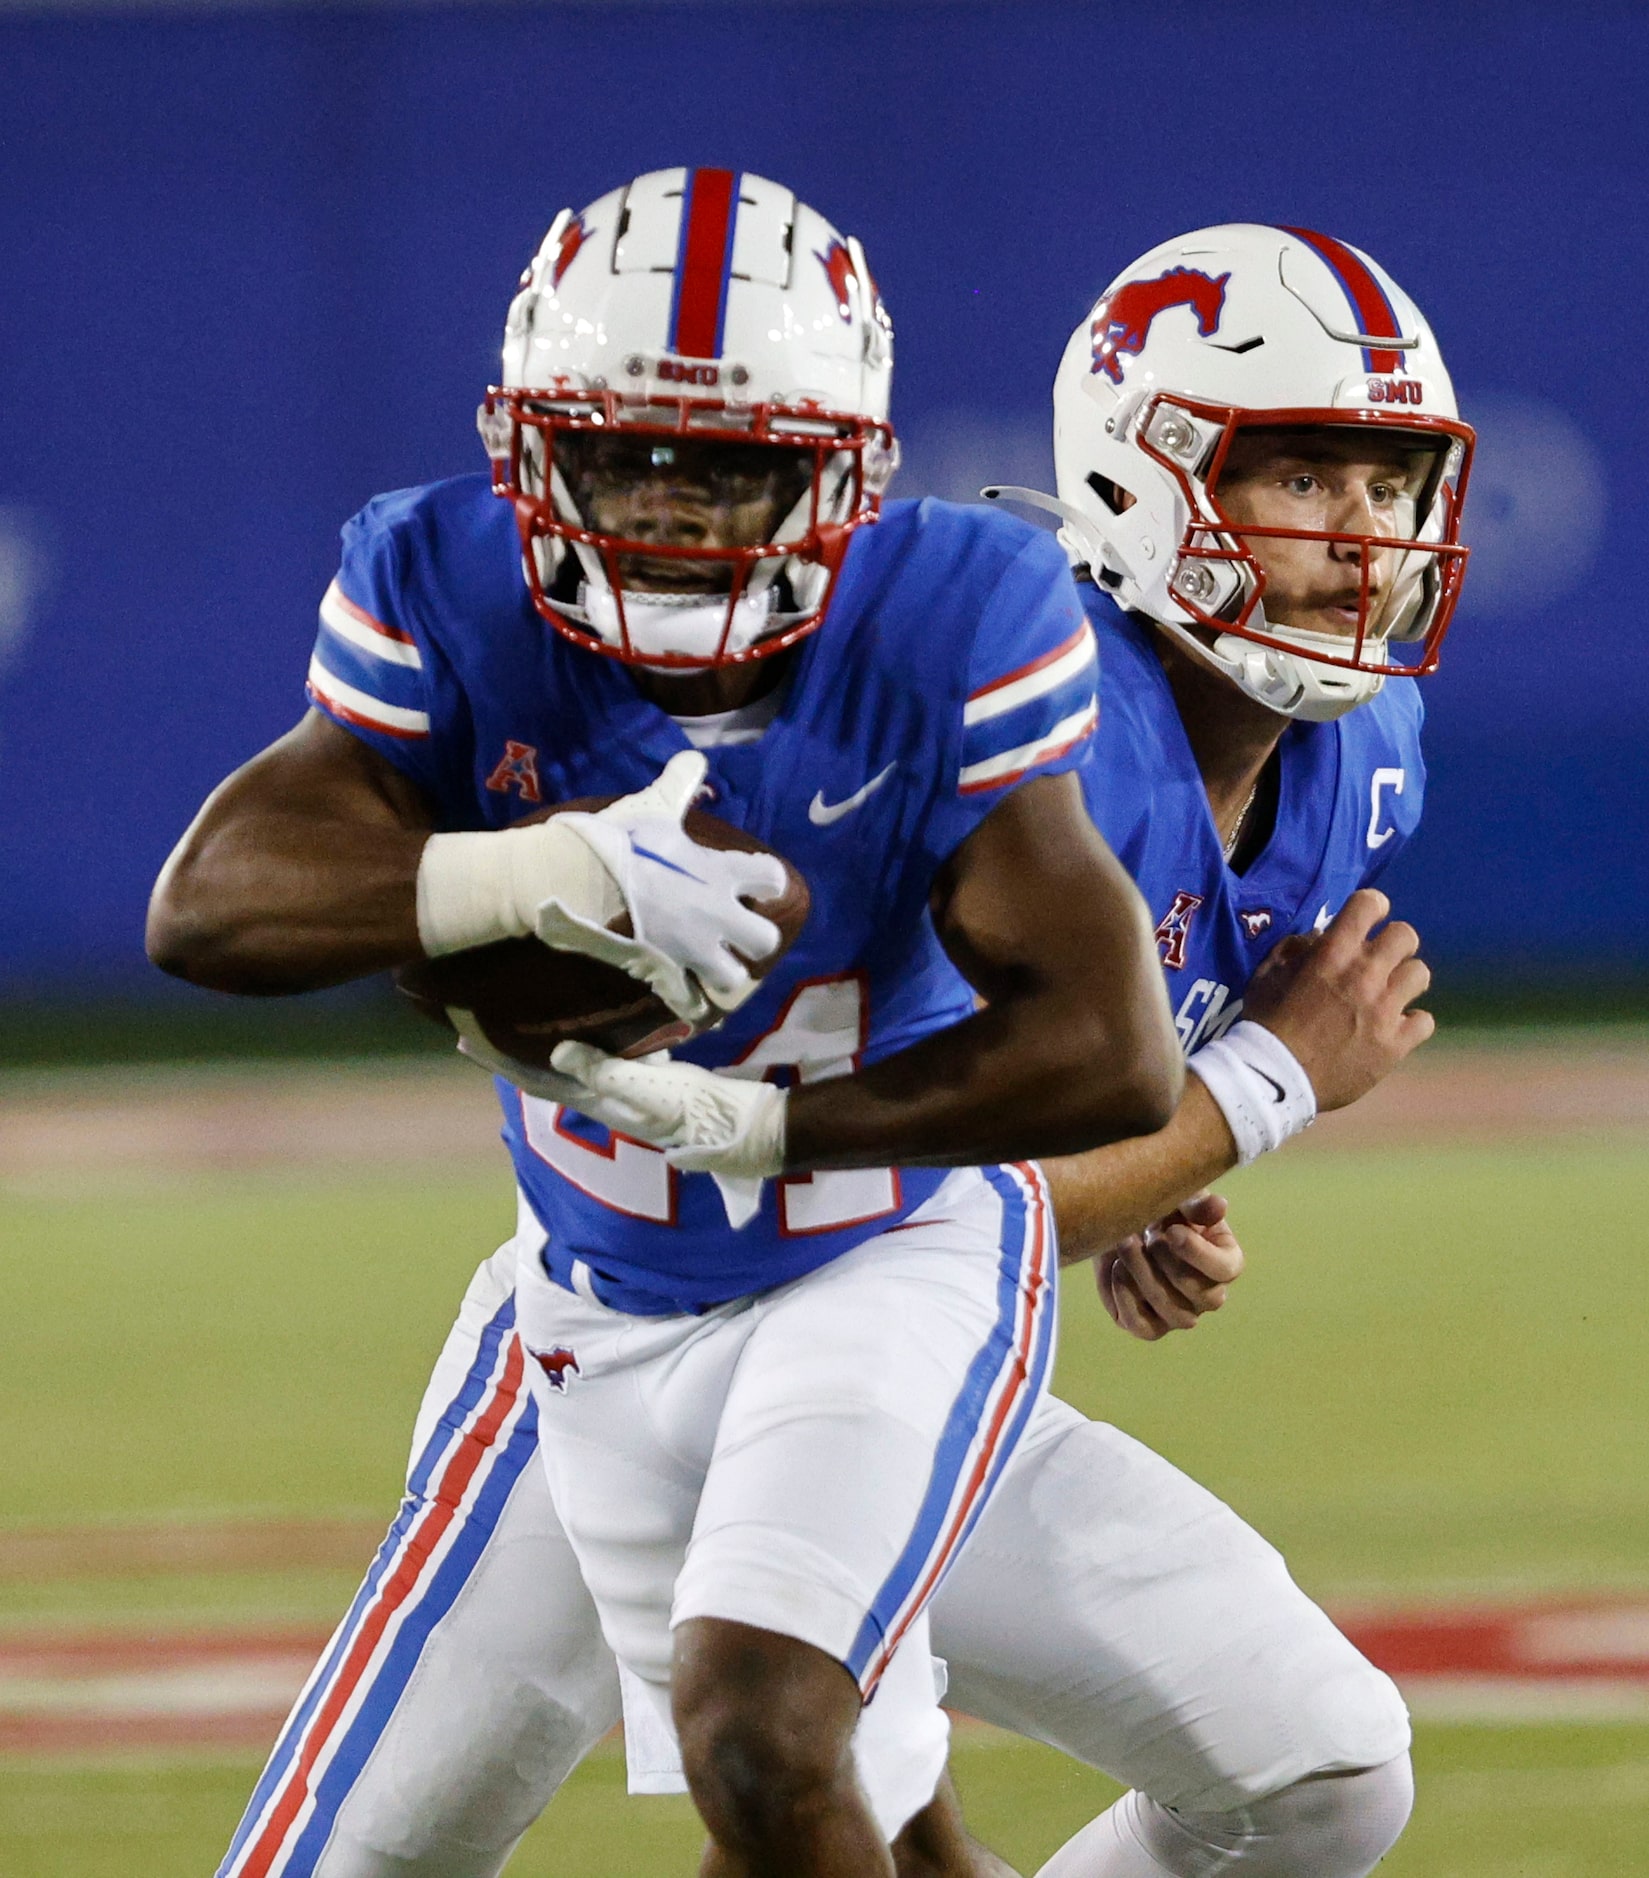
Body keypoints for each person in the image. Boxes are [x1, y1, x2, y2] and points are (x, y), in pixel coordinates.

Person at [173, 219, 1467, 1878]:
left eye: (1386, 485)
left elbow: (998, 1149)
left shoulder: (1361, 750)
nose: (1361, 536)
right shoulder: (1024, 714)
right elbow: (931, 1148)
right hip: (640, 1309)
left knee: (1324, 1768)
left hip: (885, 1338)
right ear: (1146, 484)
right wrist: (1250, 1095)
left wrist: (1149, 1159)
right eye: (1306, 479)